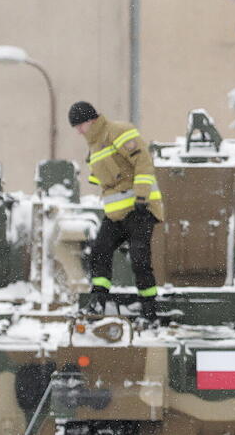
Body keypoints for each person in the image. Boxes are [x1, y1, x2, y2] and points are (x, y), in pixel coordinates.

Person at [70, 101, 165, 323]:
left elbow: (143, 162)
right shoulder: (94, 147)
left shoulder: (119, 132)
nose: (78, 131)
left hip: (139, 209)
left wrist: (142, 197)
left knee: (139, 259)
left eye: (79, 125)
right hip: (116, 215)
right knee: (99, 250)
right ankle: (98, 301)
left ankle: (149, 310)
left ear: (91, 120)